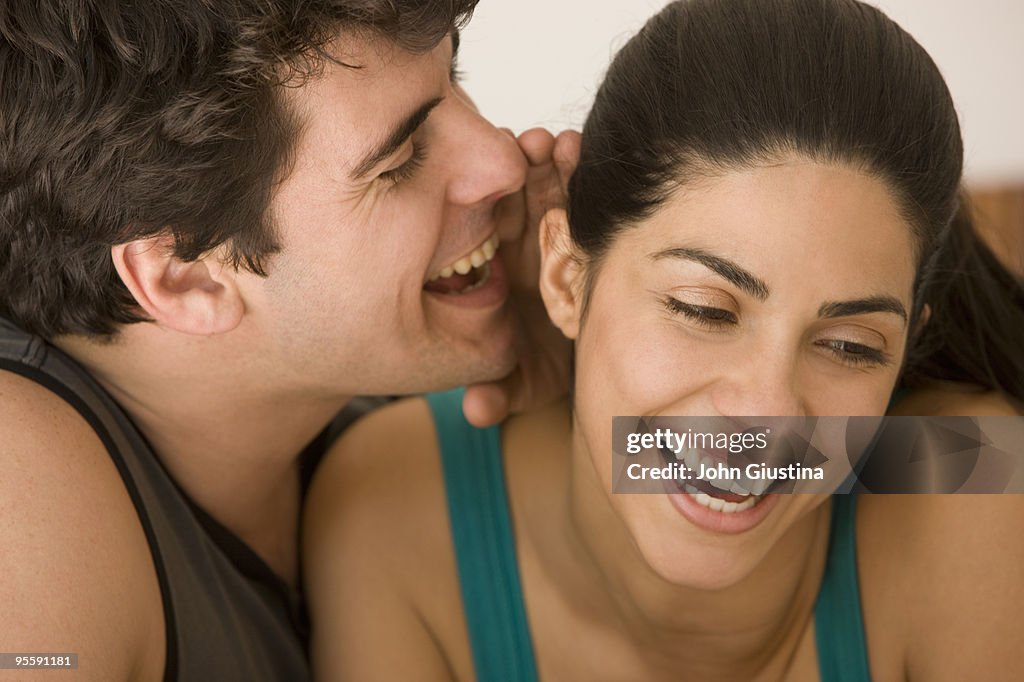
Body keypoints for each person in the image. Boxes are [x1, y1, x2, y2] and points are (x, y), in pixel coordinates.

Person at [303, 0, 1024, 680]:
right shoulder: (394, 505)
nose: (768, 414)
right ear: (565, 277)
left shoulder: (970, 477)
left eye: (850, 347)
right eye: (704, 309)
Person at [0, 2, 578, 680]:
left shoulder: (369, 402)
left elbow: (733, 465)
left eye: (458, 75)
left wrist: (609, 384)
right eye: (399, 159)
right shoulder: (20, 493)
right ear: (188, 279)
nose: (503, 159)